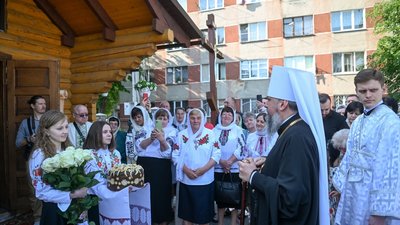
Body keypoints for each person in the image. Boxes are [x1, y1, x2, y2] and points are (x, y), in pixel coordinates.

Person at [238, 66, 329, 225]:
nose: (266, 106)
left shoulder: (297, 137)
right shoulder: (291, 130)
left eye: (270, 101)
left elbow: (290, 199)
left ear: (282, 104)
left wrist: (253, 176)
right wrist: (265, 163)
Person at [333, 69, 400, 225]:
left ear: (383, 89)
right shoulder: (358, 121)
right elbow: (350, 156)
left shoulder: (391, 123)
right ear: (356, 92)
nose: (368, 95)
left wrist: (380, 212)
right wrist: (340, 185)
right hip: (352, 194)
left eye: (373, 90)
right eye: (363, 91)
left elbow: (391, 169)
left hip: (372, 198)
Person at [29, 110, 89, 225]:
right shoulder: (39, 155)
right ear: (46, 131)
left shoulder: (71, 150)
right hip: (54, 211)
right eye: (59, 128)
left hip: (76, 207)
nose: (65, 131)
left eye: (66, 127)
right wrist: (70, 195)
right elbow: (40, 191)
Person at [172, 108, 221, 225]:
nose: (195, 121)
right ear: (188, 119)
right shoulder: (181, 135)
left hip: (205, 181)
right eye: (193, 118)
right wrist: (187, 171)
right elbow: (175, 155)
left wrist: (203, 170)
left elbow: (217, 154)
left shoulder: (210, 134)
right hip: (186, 181)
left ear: (203, 119)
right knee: (187, 216)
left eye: (198, 118)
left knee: (203, 216)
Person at [136, 108, 176, 225]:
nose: (162, 121)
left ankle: (163, 219)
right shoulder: (146, 129)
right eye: (160, 118)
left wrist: (162, 140)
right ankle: (148, 219)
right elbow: (139, 147)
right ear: (155, 119)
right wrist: (151, 138)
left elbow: (167, 153)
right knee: (147, 194)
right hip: (145, 165)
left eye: (165, 118)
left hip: (161, 166)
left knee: (162, 194)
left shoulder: (172, 131)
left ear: (168, 120)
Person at [213, 106, 246, 225]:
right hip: (218, 168)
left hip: (234, 169)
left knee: (233, 198)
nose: (226, 116)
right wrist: (221, 161)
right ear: (220, 116)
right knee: (220, 198)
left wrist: (230, 162)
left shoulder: (238, 130)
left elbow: (242, 147)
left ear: (233, 117)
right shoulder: (214, 130)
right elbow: (211, 148)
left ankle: (233, 223)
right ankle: (220, 223)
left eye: (229, 114)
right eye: (224, 114)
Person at [15, 95, 46, 225]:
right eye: (40, 103)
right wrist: (29, 139)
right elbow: (17, 143)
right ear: (33, 106)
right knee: (34, 188)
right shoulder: (25, 123)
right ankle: (38, 217)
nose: (44, 106)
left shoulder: (49, 120)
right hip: (32, 160)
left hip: (51, 157)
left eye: (44, 103)